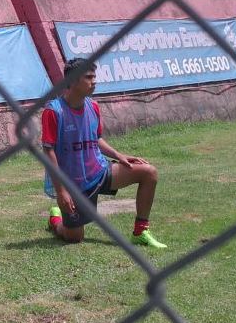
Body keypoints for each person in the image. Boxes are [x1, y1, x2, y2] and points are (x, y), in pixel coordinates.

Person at [42, 58, 167, 248]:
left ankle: (140, 232)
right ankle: (56, 221)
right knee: (74, 237)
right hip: (74, 184)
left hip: (99, 172)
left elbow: (96, 139)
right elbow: (48, 151)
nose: (94, 81)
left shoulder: (93, 106)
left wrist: (118, 155)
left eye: (94, 77)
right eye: (88, 77)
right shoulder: (54, 111)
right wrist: (61, 192)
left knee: (149, 172)